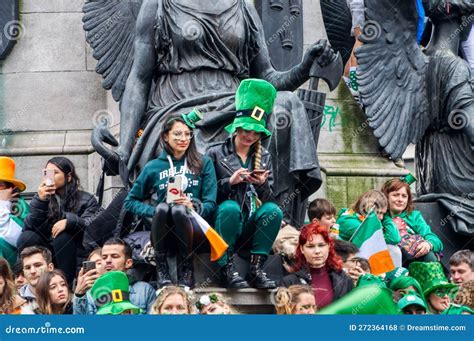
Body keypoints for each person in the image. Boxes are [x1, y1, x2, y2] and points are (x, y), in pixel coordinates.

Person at [86, 0, 337, 229]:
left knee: (287, 105)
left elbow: (267, 80)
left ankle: (273, 224)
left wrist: (305, 67)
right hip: (177, 105)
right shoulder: (158, 5)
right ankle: (192, 232)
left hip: (235, 105)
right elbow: (139, 79)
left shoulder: (243, 8)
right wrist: (125, 146)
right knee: (194, 144)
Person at [124, 110, 217, 289]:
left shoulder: (203, 163)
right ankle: (161, 267)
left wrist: (194, 206)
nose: (183, 138)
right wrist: (153, 211)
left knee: (179, 209)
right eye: (177, 133)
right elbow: (130, 201)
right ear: (166, 136)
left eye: (187, 134)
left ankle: (186, 266)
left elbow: (210, 202)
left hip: (193, 230)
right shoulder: (153, 166)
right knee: (163, 208)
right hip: (163, 232)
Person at [206, 79, 283, 289]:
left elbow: (270, 200)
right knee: (230, 207)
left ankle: (256, 269)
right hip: (221, 224)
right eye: (247, 130)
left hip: (250, 226)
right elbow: (207, 194)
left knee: (274, 211)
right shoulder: (215, 153)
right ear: (237, 127)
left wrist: (261, 185)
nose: (250, 136)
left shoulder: (264, 156)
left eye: (256, 132)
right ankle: (226, 269)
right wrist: (230, 182)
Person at [17, 157, 100, 285]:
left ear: (68, 177)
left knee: (63, 236)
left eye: (55, 173)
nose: (50, 177)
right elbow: (30, 226)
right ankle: (36, 285)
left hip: (71, 252)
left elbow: (92, 226)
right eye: (47, 173)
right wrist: (41, 201)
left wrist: (69, 222)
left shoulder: (86, 199)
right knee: (26, 237)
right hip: (45, 252)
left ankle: (65, 285)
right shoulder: (40, 198)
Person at [280, 222, 353, 309]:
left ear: (329, 246)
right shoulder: (288, 282)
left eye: (321, 245)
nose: (317, 251)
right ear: (302, 249)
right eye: (310, 246)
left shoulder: (345, 279)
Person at [73, 238, 155, 314]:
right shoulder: (90, 294)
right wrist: (79, 295)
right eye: (104, 257)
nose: (108, 260)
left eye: (114, 256)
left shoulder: (145, 289)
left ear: (128, 263)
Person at [381, 177, 443, 265]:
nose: (400, 199)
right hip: (391, 261)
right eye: (395, 195)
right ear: (386, 197)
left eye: (404, 196)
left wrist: (428, 244)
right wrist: (387, 215)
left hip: (416, 261)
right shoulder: (380, 216)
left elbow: (436, 241)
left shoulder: (414, 216)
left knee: (429, 254)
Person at [337, 189, 402, 266]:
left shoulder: (363, 219)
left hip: (358, 259)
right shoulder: (348, 222)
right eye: (378, 212)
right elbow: (393, 238)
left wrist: (387, 216)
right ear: (367, 208)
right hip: (347, 262)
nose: (381, 217)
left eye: (383, 214)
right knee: (393, 250)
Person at [0, 157, 29, 268]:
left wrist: (3, 204)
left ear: (10, 188)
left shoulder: (20, 206)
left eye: (0, 185)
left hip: (11, 258)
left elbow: (16, 239)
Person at [18, 246, 54, 313]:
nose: (32, 271)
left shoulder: (65, 297)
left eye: (38, 265)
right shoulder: (14, 303)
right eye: (28, 268)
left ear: (50, 267)